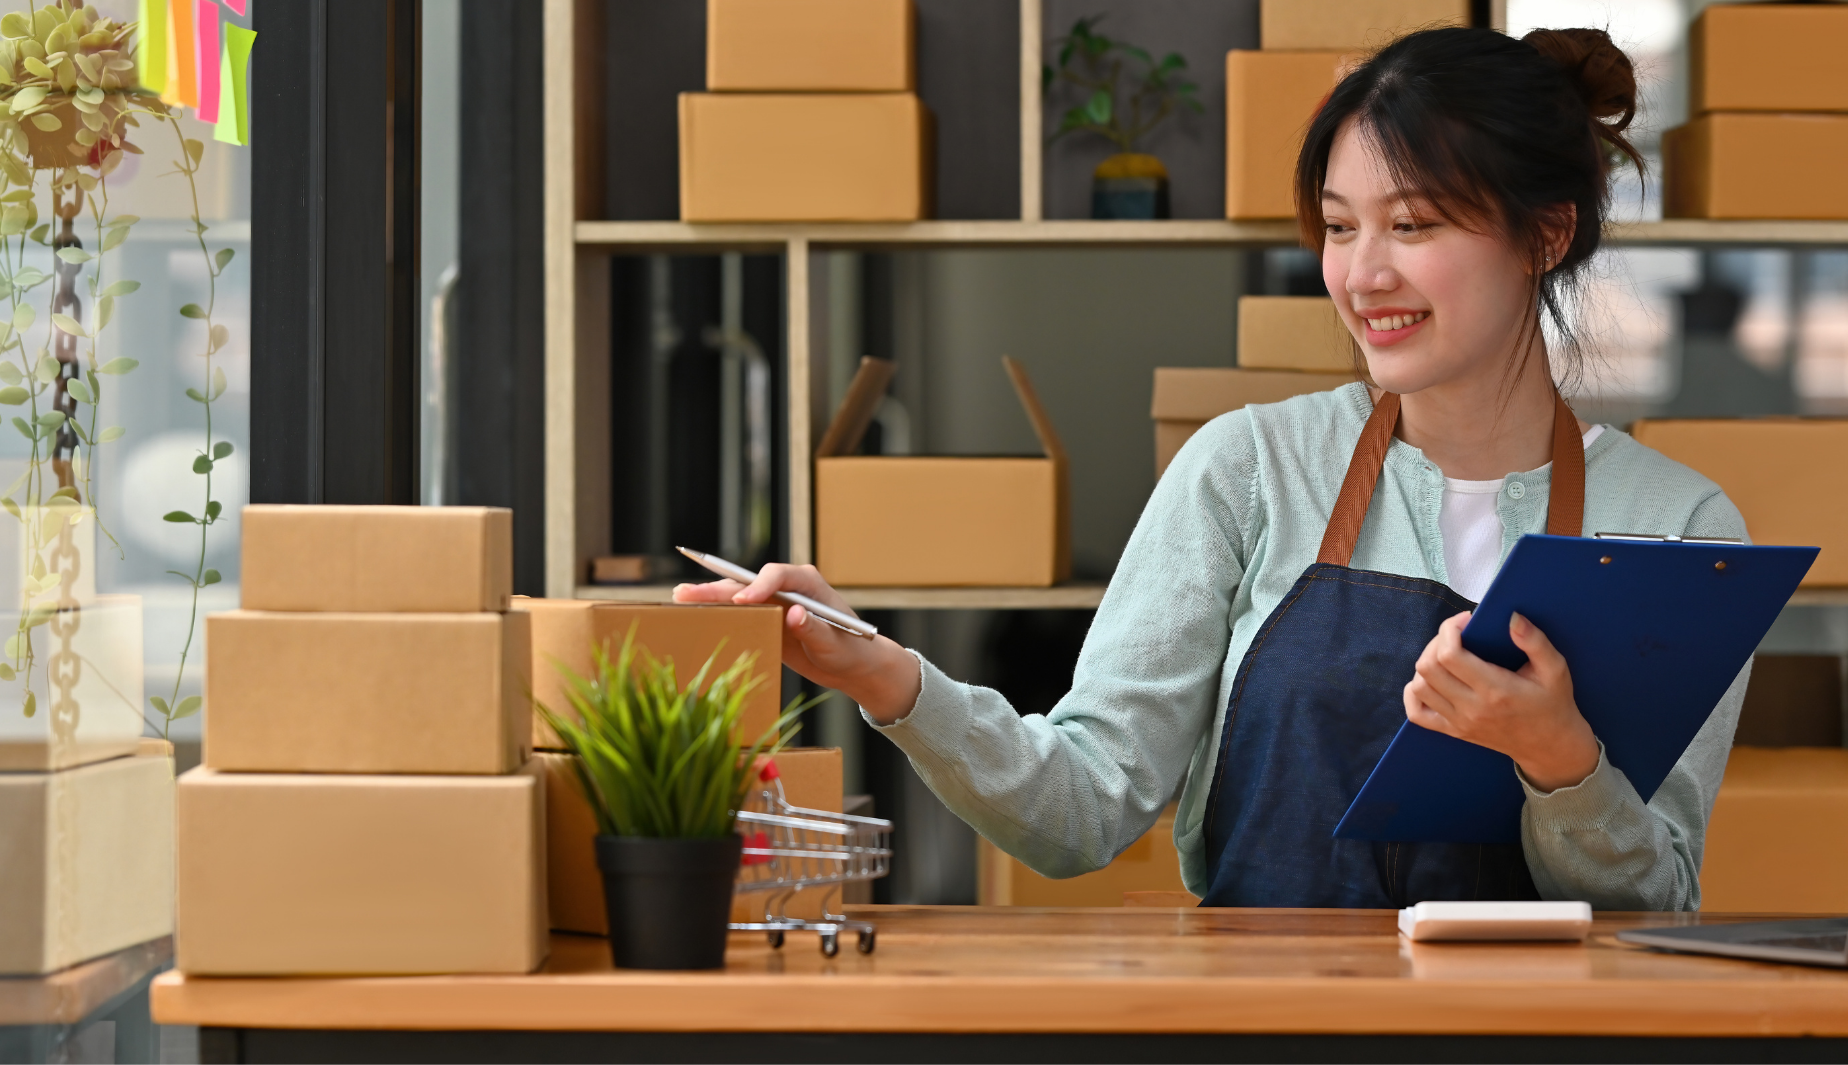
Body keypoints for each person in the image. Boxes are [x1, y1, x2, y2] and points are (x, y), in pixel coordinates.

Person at [676, 26, 1748, 911]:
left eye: (1413, 224)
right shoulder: (1250, 469)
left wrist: (1560, 759)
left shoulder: (1680, 531)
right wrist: (881, 674)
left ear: (1545, 234)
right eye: (1337, 227)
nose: (1363, 273)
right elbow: (1081, 809)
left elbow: (1658, 899)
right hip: (1264, 1025)